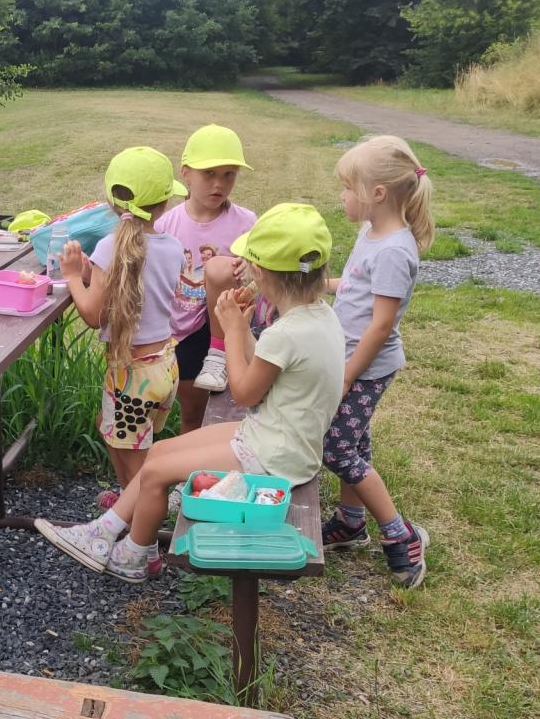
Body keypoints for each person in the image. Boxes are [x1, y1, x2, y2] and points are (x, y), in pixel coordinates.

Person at [36, 203, 344, 583]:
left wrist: (233, 331)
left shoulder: (286, 333)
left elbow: (245, 394)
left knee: (156, 472)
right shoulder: (320, 316)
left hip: (275, 456)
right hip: (279, 437)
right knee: (159, 452)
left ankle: (134, 556)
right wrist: (242, 327)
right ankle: (108, 532)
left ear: (261, 273)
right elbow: (264, 371)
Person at [320, 135, 434, 589]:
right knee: (354, 444)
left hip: (366, 369)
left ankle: (400, 534)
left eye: (349, 188)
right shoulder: (371, 234)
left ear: (377, 193)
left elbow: (381, 324)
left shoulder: (393, 251)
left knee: (336, 449)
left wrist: (348, 376)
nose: (343, 196)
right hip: (350, 361)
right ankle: (351, 522)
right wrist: (313, 285)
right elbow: (352, 288)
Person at [57, 146, 186, 493]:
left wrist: (73, 276)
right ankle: (127, 502)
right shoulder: (173, 247)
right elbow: (139, 286)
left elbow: (93, 315)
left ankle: (139, 519)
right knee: (107, 424)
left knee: (140, 472)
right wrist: (94, 272)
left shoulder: (110, 247)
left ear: (111, 200)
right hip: (164, 367)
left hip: (131, 377)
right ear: (164, 203)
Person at [155, 124, 259, 399]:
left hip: (229, 328)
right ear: (185, 173)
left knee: (225, 408)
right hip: (181, 329)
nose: (219, 184)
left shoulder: (247, 223)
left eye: (229, 174)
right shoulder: (166, 224)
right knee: (192, 410)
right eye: (209, 173)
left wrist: (249, 268)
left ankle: (218, 352)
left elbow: (262, 275)